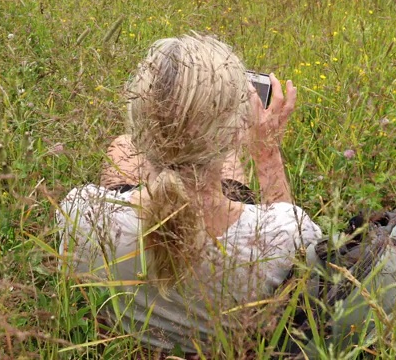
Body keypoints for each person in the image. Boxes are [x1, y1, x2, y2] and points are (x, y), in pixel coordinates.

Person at [56, 33, 323, 357]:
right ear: (237, 132)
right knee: (231, 172)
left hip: (122, 333)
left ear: (140, 121)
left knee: (122, 147)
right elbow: (290, 230)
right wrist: (266, 153)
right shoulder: (284, 236)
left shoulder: (79, 213)